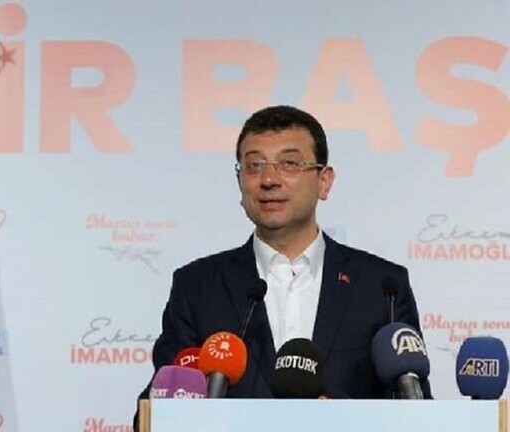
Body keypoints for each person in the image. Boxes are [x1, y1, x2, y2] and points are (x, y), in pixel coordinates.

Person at [134, 105, 430, 426]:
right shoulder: (198, 286)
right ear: (239, 180)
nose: (269, 179)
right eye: (254, 165)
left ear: (324, 181)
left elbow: (418, 413)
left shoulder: (382, 286)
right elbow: (155, 414)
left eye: (290, 163)